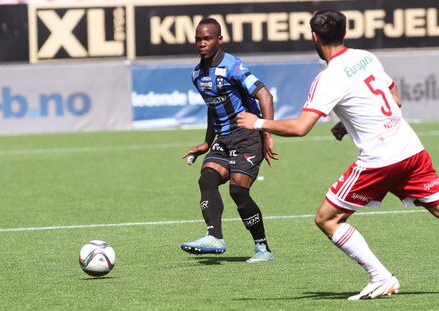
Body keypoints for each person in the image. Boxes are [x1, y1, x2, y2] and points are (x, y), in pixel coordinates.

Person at [237, 9, 439, 299]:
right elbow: (395, 99)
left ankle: (381, 277)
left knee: (327, 219)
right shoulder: (366, 57)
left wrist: (257, 122)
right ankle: (381, 278)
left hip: (380, 161)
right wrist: (347, 122)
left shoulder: (328, 77)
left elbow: (300, 127)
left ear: (314, 37)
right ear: (344, 33)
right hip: (411, 150)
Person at [180, 17, 279, 263]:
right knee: (207, 177)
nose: (202, 43)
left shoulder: (233, 67)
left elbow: (264, 95)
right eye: (198, 39)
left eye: (207, 38)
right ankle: (214, 238)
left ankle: (263, 249)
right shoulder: (197, 74)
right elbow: (213, 108)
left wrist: (266, 133)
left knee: (238, 191)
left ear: (219, 40)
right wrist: (206, 142)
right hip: (224, 138)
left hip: (247, 136)